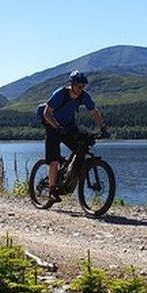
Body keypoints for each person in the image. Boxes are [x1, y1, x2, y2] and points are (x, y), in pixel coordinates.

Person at [41, 70, 107, 201]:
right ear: (71, 84)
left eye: (83, 86)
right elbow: (46, 113)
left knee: (81, 147)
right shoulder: (60, 94)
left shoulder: (84, 96)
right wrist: (57, 126)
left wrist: (102, 127)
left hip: (69, 127)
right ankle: (52, 190)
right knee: (53, 160)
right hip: (53, 126)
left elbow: (94, 112)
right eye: (78, 86)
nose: (81, 88)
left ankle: (69, 176)